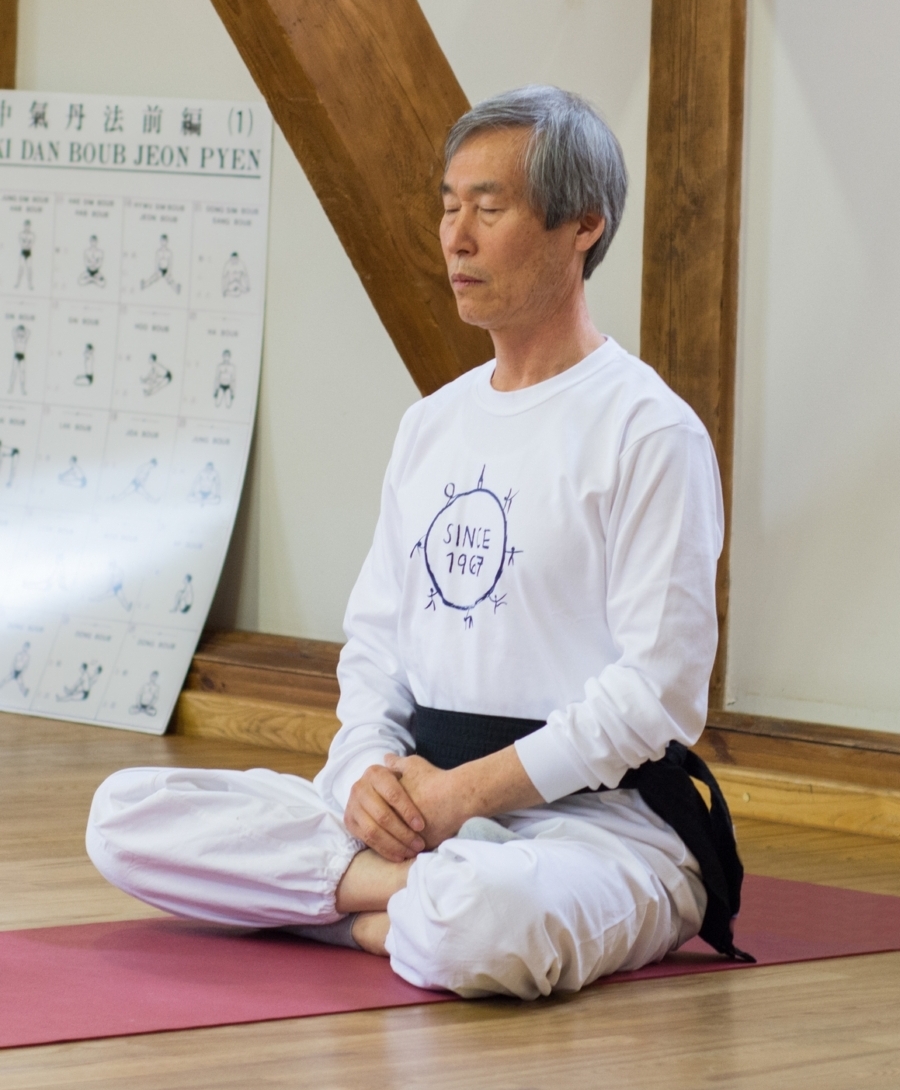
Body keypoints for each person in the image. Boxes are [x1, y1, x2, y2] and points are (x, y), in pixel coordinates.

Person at [87, 87, 744, 1000]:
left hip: (594, 829)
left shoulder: (648, 431)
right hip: (420, 812)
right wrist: (367, 776)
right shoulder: (431, 424)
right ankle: (397, 903)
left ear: (583, 225)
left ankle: (347, 905)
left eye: (489, 208)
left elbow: (656, 694)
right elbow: (377, 647)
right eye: (448, 206)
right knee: (124, 814)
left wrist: (464, 796)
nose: (456, 238)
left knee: (483, 920)